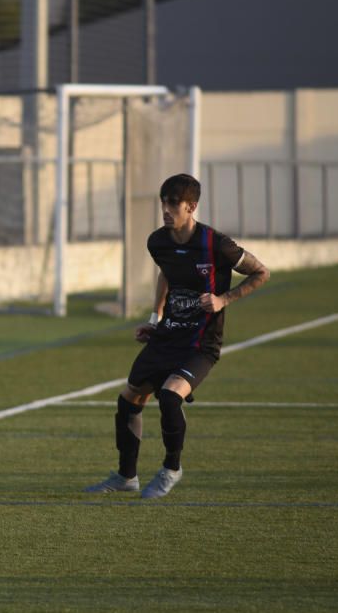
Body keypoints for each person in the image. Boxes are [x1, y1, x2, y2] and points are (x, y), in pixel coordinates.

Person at [85, 173, 270, 499]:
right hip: (167, 336)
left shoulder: (216, 243)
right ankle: (126, 477)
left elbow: (261, 272)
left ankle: (171, 469)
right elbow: (166, 275)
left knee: (170, 396)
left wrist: (223, 300)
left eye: (174, 204)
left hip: (201, 342)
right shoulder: (158, 241)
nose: (167, 210)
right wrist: (155, 318)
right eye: (164, 204)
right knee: (129, 400)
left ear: (192, 206)